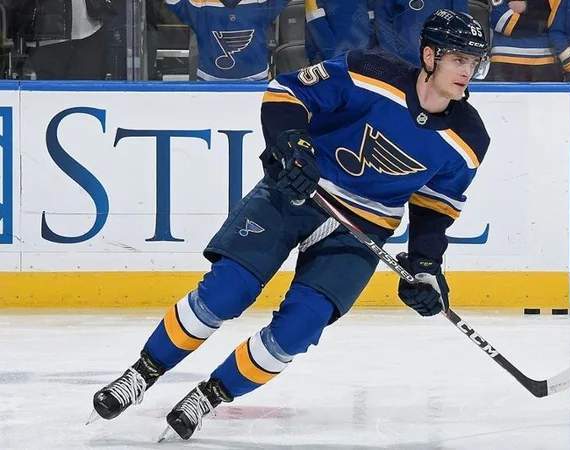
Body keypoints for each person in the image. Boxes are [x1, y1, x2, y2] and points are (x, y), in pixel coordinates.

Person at [88, 8, 491, 441]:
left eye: (473, 62)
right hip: (299, 191)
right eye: (458, 59)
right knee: (226, 291)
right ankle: (141, 374)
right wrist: (293, 144)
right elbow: (287, 93)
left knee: (300, 327)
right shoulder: (370, 72)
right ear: (429, 56)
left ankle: (208, 396)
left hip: (363, 228)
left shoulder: (470, 138)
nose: (466, 71)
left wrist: (426, 266)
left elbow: (435, 206)